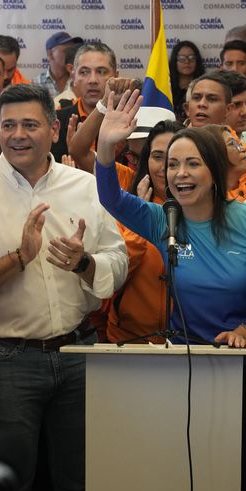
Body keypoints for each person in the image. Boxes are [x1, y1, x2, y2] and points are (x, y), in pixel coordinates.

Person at [95, 88, 246, 491]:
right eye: (171, 164)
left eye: (191, 163)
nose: (178, 173)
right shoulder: (160, 218)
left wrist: (245, 330)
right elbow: (109, 197)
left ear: (215, 171)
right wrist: (106, 149)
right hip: (188, 366)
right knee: (196, 473)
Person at [0, 84, 127, 491]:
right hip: (6, 361)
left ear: (54, 128)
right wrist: (17, 259)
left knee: (80, 482)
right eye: (8, 125)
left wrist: (84, 264)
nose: (18, 135)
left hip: (80, 352)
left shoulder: (87, 186)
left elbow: (118, 262)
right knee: (12, 486)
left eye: (30, 124)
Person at [105, 120, 184, 344]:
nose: (165, 166)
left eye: (174, 158)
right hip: (129, 341)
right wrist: (140, 219)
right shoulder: (124, 208)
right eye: (157, 156)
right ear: (146, 161)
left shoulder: (205, 213)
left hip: (192, 343)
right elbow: (112, 277)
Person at [52, 42, 118, 160]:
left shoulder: (127, 120)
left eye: (101, 71)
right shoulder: (57, 121)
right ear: (74, 77)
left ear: (116, 76)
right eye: (84, 72)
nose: (92, 80)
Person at [35, 31, 83, 98]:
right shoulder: (36, 84)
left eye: (73, 50)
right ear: (50, 54)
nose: (72, 54)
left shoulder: (79, 81)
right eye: (66, 50)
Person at [169, 40, 206, 122]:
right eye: (182, 58)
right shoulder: (167, 89)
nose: (187, 62)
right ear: (175, 61)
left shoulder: (205, 86)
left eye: (191, 58)